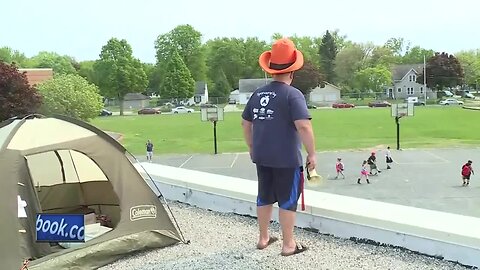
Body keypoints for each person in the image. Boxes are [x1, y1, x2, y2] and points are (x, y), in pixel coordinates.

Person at [241, 38, 315, 256]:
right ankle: (288, 244)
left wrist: (252, 146)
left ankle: (264, 238)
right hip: (286, 159)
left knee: (264, 196)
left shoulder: (258, 93)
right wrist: (312, 153)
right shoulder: (293, 94)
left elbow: (246, 123)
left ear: (272, 69)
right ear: (292, 72)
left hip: (262, 156)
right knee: (288, 200)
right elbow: (303, 126)